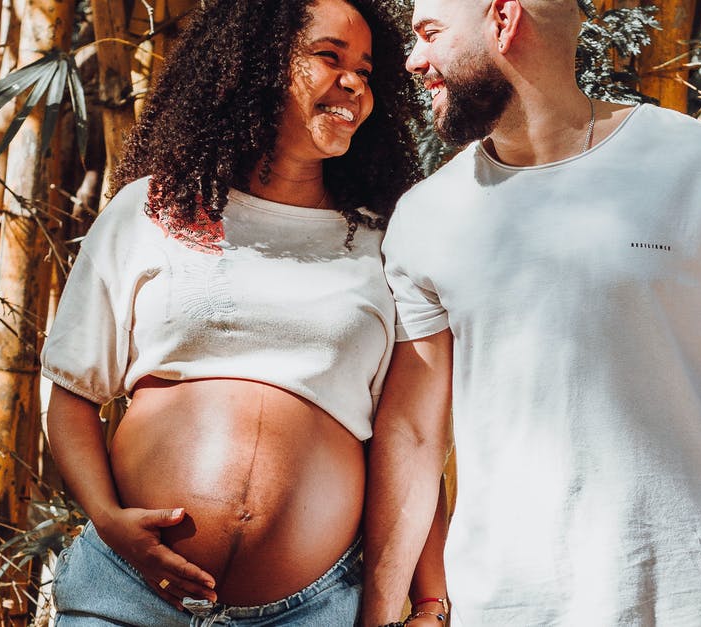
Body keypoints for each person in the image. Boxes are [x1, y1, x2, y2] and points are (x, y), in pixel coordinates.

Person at [360, 1, 701, 626]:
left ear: (503, 19)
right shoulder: (425, 216)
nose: (415, 60)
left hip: (698, 597)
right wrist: (391, 611)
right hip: (505, 605)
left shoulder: (700, 164)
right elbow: (413, 434)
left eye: (430, 34)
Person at [40, 0, 425, 624]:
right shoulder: (155, 207)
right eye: (329, 57)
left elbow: (410, 441)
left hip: (310, 608)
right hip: (129, 594)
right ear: (260, 66)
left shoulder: (389, 244)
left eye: (367, 70)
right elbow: (72, 394)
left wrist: (430, 602)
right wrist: (110, 522)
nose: (353, 81)